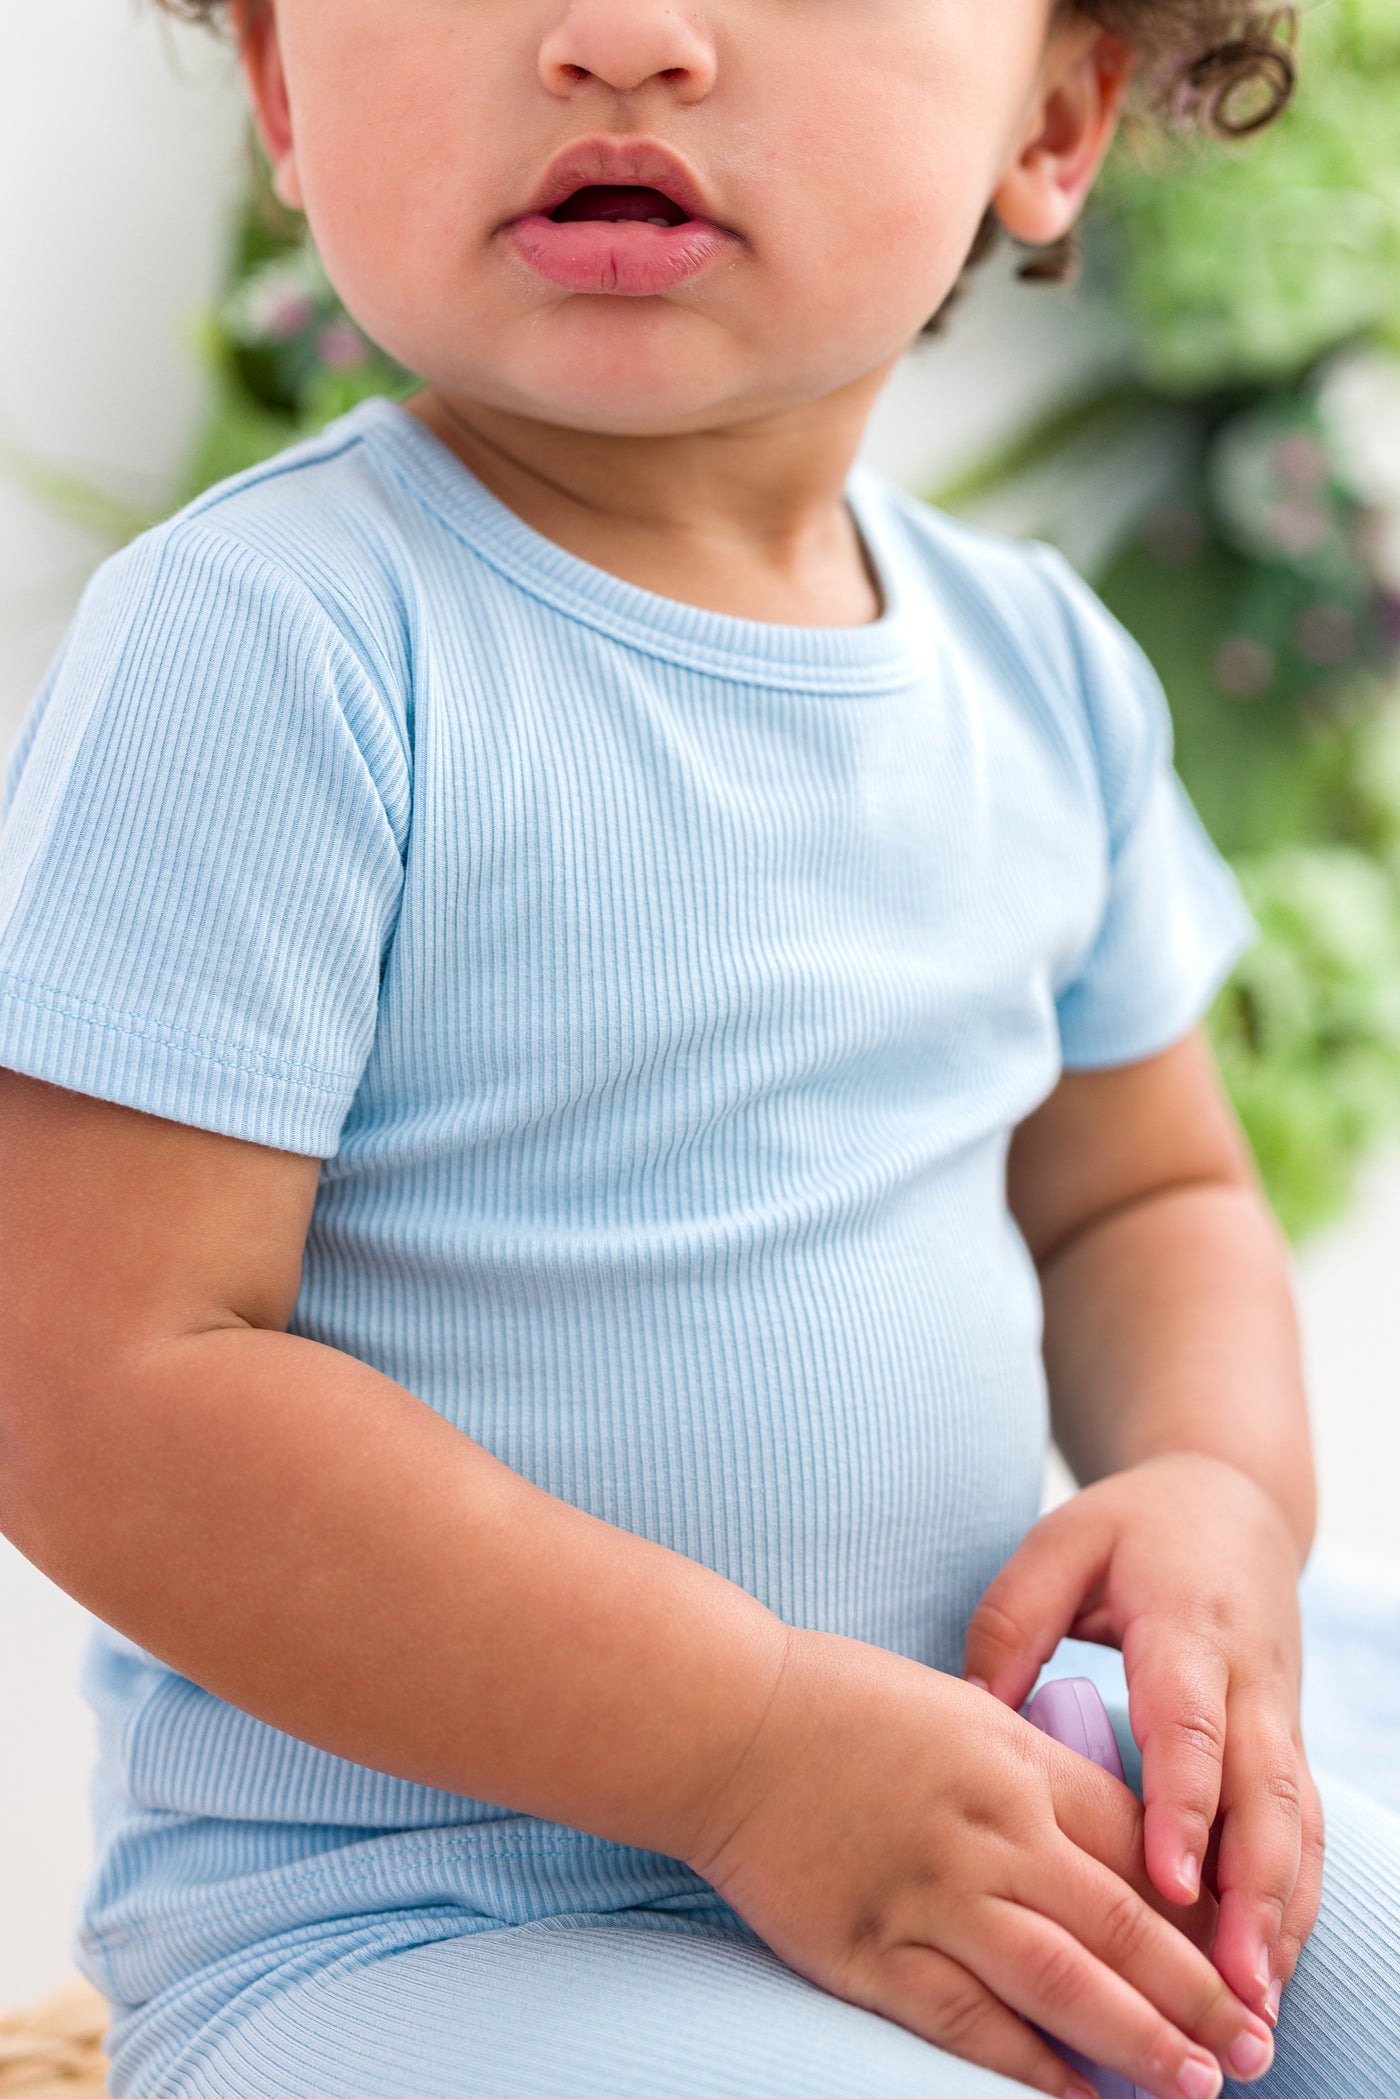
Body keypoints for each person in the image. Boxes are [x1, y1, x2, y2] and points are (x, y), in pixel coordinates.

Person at [1, 0, 1397, 2094]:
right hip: (436, 1934)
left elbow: (1149, 1195)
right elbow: (92, 1383)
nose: (620, 38)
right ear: (288, 84)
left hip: (982, 1788)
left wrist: (1207, 1488)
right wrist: (745, 1750)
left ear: (1057, 118)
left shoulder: (1034, 671)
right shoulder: (272, 643)